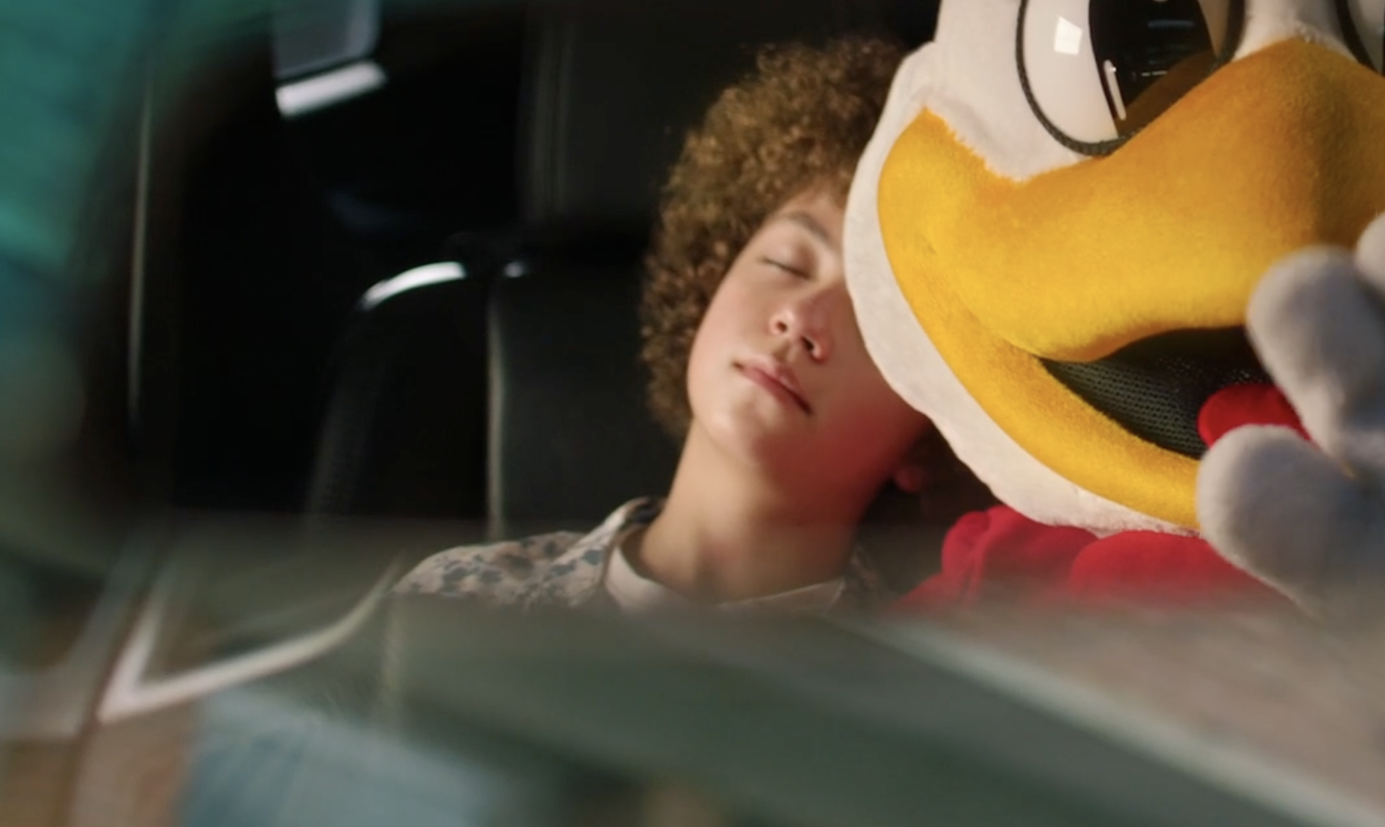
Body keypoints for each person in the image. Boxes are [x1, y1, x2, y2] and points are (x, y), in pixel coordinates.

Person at [396, 38, 975, 613]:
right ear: (709, 286)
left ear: (932, 435)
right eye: (786, 264)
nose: (800, 319)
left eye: (877, 318)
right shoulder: (457, 601)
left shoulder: (928, 664)